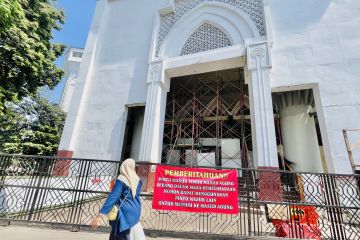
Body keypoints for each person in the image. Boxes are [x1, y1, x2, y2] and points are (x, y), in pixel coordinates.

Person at [91, 158, 142, 240]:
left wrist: (99, 215)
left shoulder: (122, 178)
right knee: (128, 234)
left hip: (124, 212)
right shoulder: (138, 180)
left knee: (120, 235)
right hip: (135, 211)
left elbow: (113, 197)